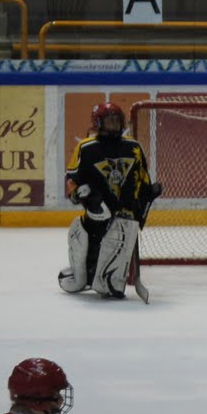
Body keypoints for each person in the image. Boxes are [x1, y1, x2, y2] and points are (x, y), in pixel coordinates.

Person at [59, 101, 162, 299]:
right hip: (98, 211)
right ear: (98, 123)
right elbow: (72, 180)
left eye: (116, 120)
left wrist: (147, 194)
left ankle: (107, 278)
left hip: (123, 215)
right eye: (109, 121)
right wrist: (81, 195)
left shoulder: (133, 147)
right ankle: (82, 272)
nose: (114, 125)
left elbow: (142, 179)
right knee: (85, 267)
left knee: (111, 284)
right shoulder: (86, 148)